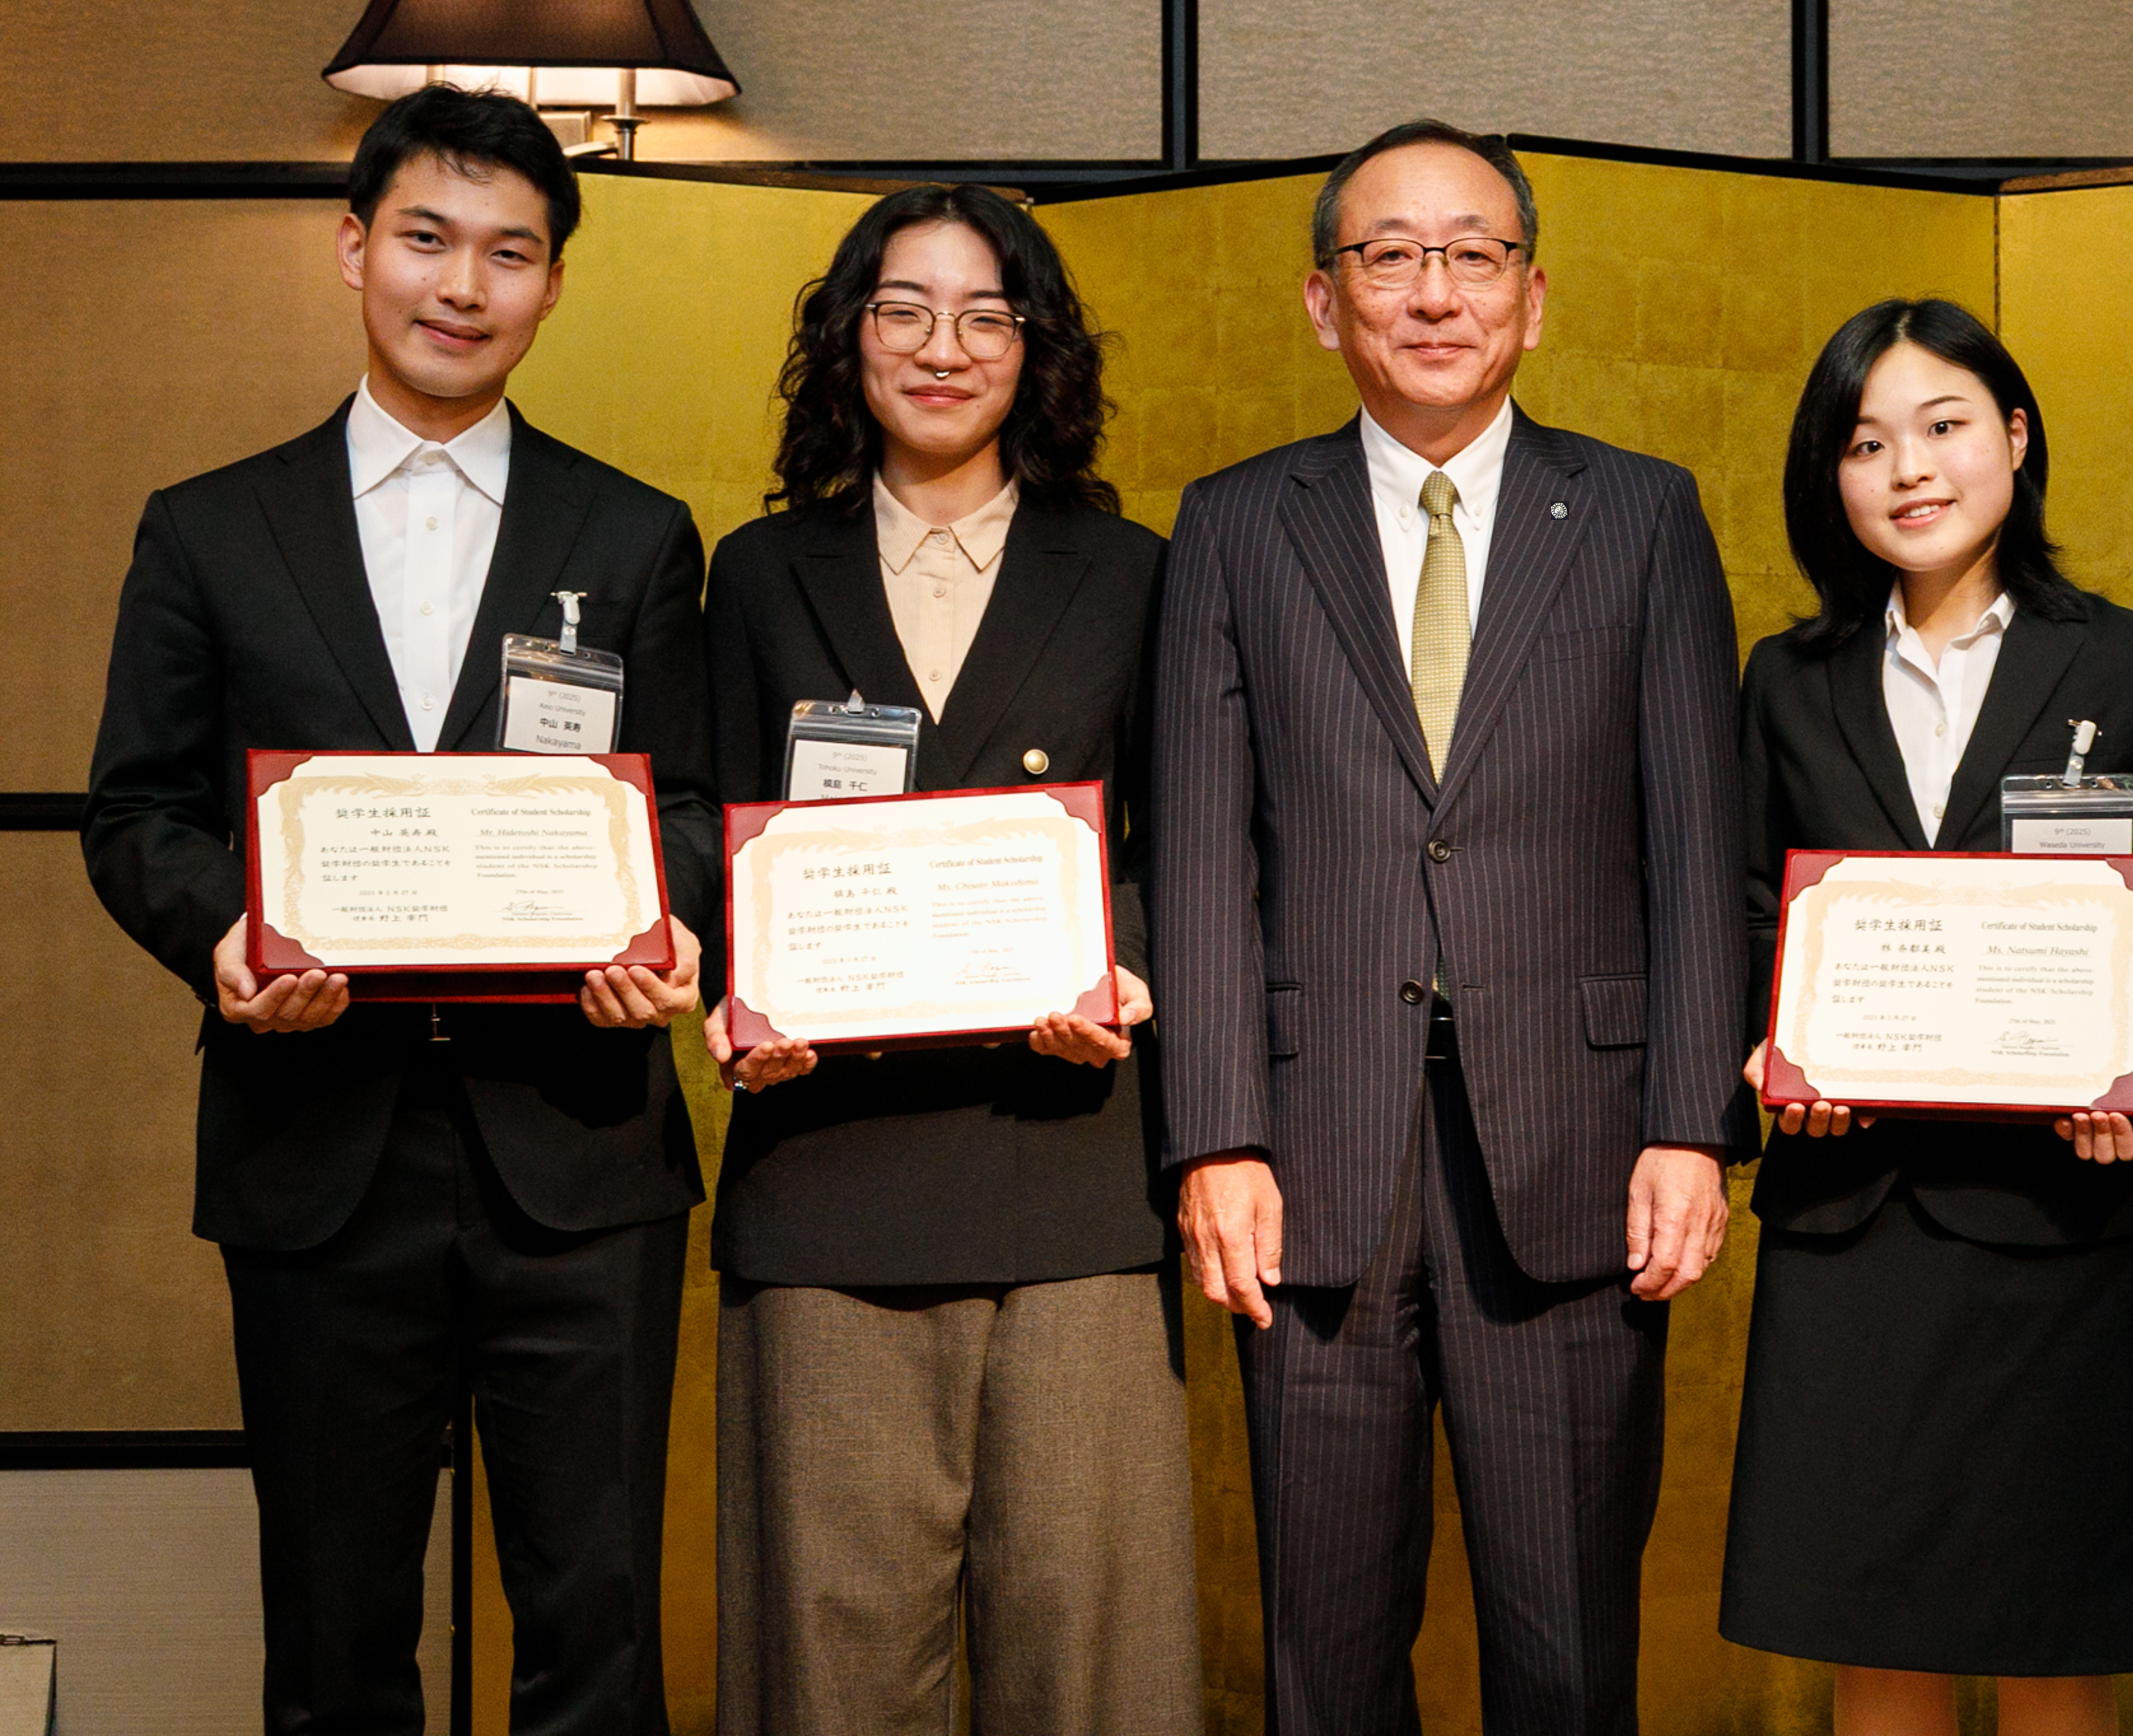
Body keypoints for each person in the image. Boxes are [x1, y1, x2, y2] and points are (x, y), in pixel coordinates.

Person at [81, 85, 716, 1734]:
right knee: (335, 1644)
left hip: (579, 1155)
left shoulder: (635, 534)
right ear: (354, 247)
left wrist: (668, 929)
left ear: (554, 284)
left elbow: (692, 812)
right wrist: (225, 935)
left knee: (596, 1637)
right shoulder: (211, 529)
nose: (463, 285)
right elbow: (139, 811)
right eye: (428, 239)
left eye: (510, 252)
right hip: (316, 1148)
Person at [1152, 118, 1756, 1734]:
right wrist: (1217, 1136)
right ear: (1322, 299)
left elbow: (1699, 845)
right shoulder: (1235, 525)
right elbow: (1201, 853)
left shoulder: (1641, 517)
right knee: (1326, 1657)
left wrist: (1691, 1123)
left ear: (1533, 298)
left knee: (1567, 1656)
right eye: (1390, 257)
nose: (1435, 294)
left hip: (1579, 1150)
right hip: (1307, 1165)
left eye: (1474, 256)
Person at [697, 184, 1195, 1736]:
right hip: (826, 1181)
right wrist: (736, 989)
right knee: (829, 1677)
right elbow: (710, 823)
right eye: (903, 309)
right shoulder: (761, 572)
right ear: (849, 338)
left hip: (1073, 1177)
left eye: (987, 315)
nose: (943, 347)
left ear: (1037, 349)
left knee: (1092, 1672)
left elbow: (1186, 837)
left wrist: (1120, 965)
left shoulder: (1131, 570)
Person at [1717, 299, 2133, 1736]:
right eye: (1865, 443)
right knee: (1873, 1637)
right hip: (1852, 1216)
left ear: (2016, 433)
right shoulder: (1788, 680)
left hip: (2063, 1215)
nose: (1910, 470)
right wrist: (1773, 1049)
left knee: (2061, 1636)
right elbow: (1747, 908)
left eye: (1942, 427)